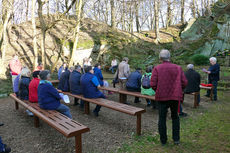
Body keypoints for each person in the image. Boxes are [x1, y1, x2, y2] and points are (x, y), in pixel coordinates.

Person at [150, 49, 187, 145]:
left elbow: (153, 84)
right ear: (169, 57)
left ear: (160, 58)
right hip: (175, 97)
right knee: (175, 117)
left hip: (162, 97)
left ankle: (163, 140)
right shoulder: (178, 68)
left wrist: (158, 90)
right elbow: (184, 82)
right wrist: (178, 89)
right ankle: (176, 139)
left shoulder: (157, 68)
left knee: (162, 118)